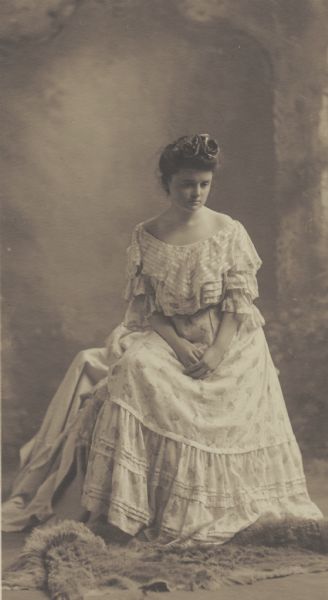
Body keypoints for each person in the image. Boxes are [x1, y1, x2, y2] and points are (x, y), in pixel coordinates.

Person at [2, 133, 322, 543]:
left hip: (228, 335)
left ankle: (214, 504)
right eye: (187, 184)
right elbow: (149, 309)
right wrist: (178, 344)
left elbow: (238, 304)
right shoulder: (146, 235)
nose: (196, 193)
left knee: (219, 383)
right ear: (167, 183)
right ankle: (130, 512)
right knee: (134, 368)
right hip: (171, 333)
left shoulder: (228, 231)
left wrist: (218, 351)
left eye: (204, 184)